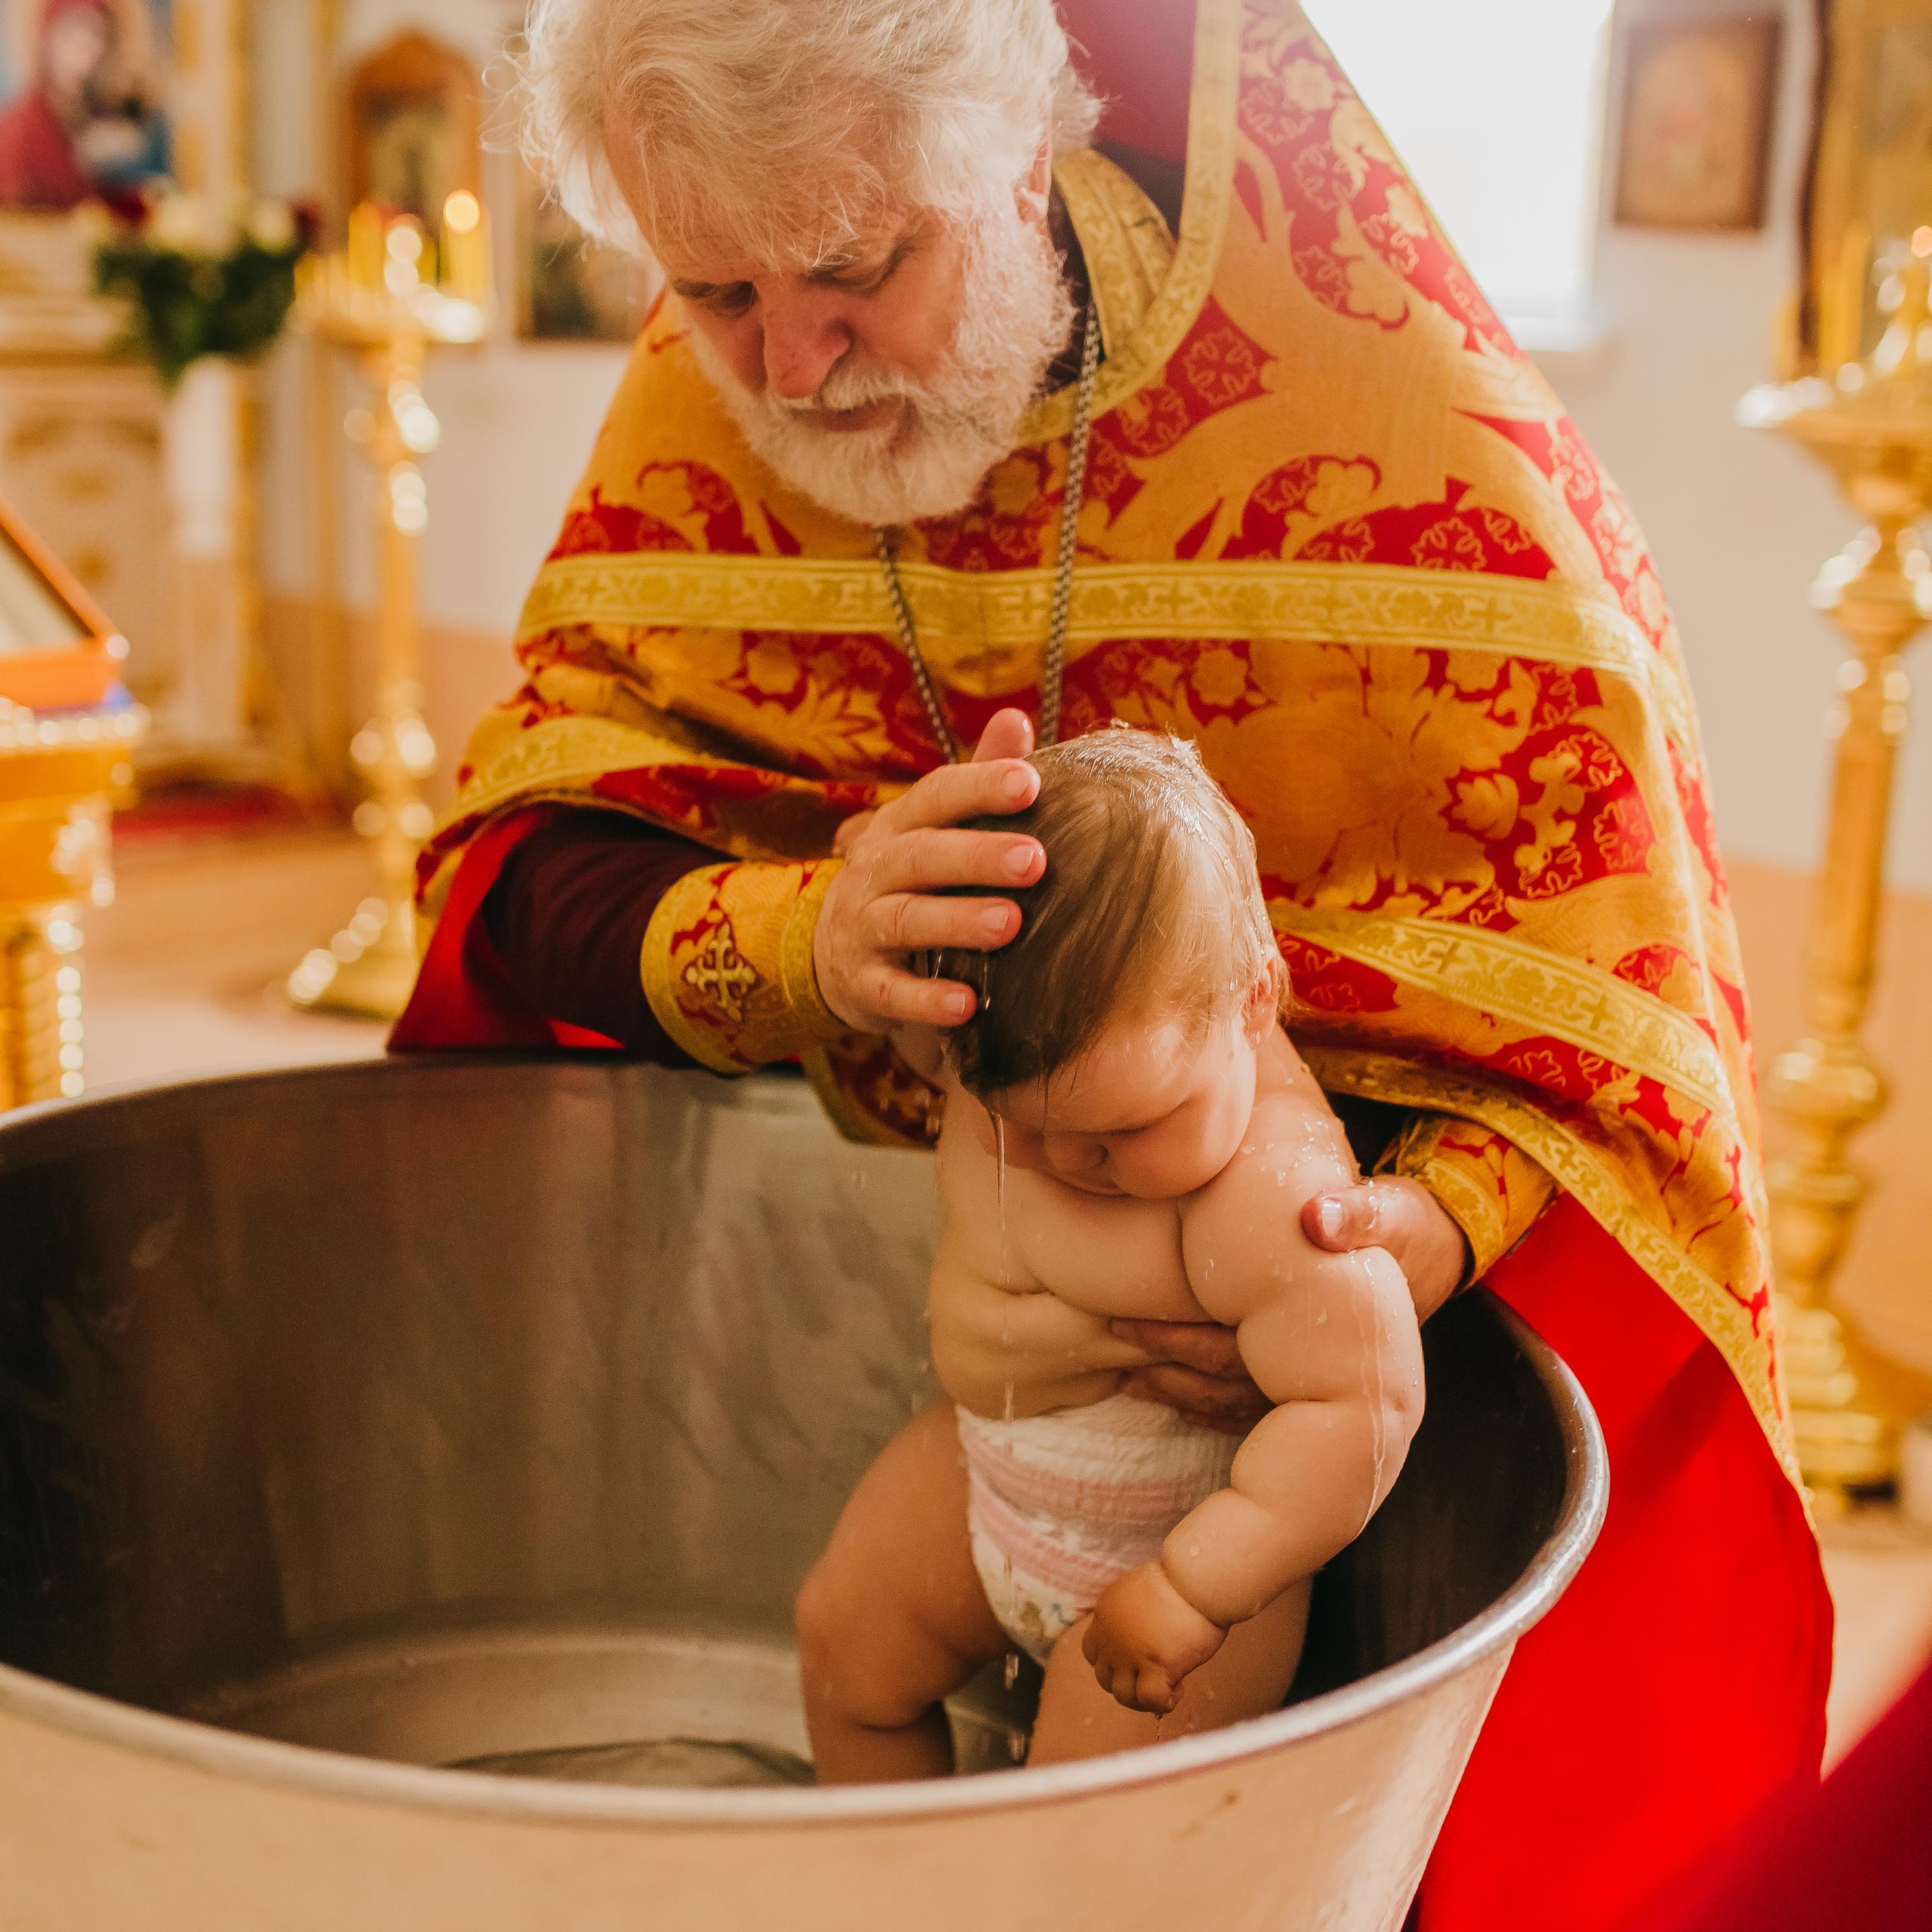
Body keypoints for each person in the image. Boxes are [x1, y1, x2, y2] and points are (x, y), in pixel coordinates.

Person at [392, 3, 1832, 1926]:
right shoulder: (718, 346)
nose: (791, 365)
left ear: (1019, 149)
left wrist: (1414, 1229)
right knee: (862, 1655)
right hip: (972, 1428)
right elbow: (533, 829)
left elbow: (1598, 1001)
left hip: (1226, 1454)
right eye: (714, 288)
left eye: (854, 269)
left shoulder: (1401, 429)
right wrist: (797, 932)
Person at [798, 731, 1423, 1781]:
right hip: (983, 1481)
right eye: (1015, 1122)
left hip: (1167, 1571)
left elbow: (1364, 1412)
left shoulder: (1266, 1196)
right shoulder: (989, 1051)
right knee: (841, 1652)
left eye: (1124, 1131)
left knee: (1080, 1839)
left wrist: (1196, 1587)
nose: (1060, 1164)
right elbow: (889, 1006)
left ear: (1254, 1003)